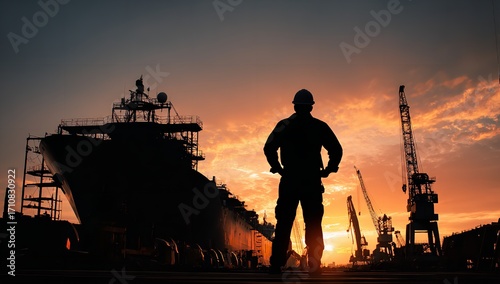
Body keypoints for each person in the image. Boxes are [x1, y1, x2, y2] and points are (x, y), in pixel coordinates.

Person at [264, 89, 343, 275]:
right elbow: (336, 150)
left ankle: (276, 265)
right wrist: (329, 169)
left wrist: (277, 166)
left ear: (294, 106)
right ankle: (314, 264)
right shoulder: (319, 126)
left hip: (290, 179)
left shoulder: (284, 125)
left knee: (284, 223)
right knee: (314, 223)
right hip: (311, 181)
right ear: (311, 106)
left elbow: (269, 147)